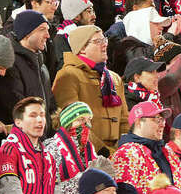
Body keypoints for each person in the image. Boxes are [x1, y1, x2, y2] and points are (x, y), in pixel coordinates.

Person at [52, 23, 129, 154]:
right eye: (98, 41)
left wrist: (123, 150)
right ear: (82, 48)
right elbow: (72, 121)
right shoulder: (68, 75)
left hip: (117, 155)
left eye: (104, 40)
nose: (105, 44)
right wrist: (102, 151)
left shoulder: (114, 78)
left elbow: (124, 120)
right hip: (85, 154)